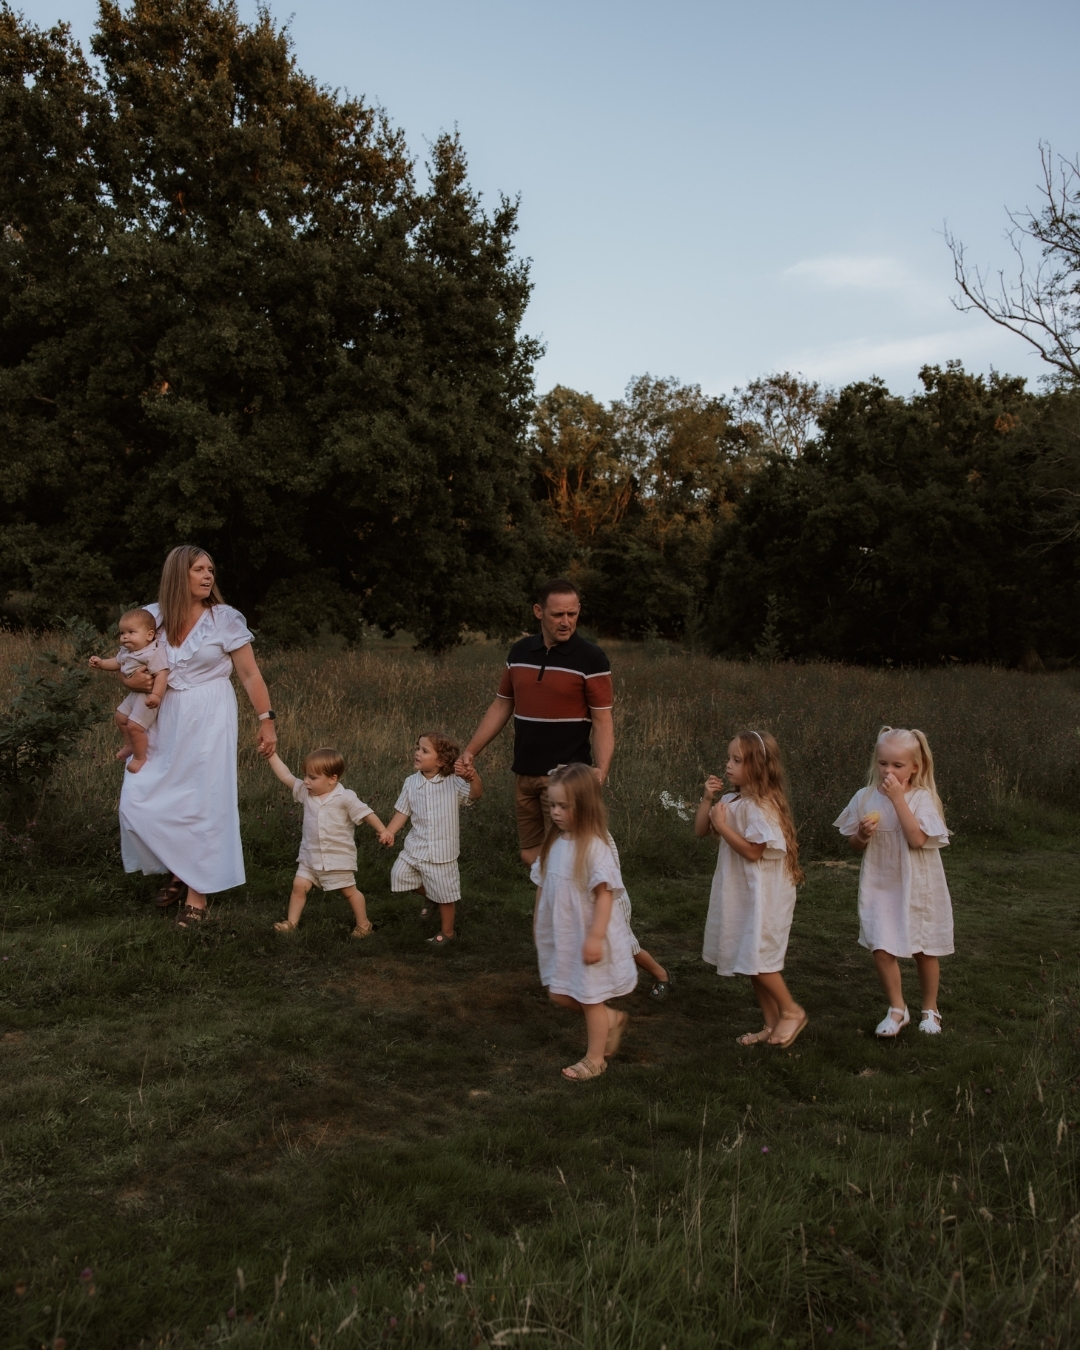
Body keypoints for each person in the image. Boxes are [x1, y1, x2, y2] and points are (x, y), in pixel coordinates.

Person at [117, 545, 277, 928]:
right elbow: (128, 664)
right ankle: (178, 866)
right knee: (139, 799)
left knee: (203, 802)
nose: (208, 576)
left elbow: (250, 675)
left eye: (211, 570)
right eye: (199, 570)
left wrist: (266, 720)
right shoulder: (151, 617)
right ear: (178, 575)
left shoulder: (224, 619)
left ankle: (197, 894)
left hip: (209, 715)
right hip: (163, 715)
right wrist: (130, 680)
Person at [457, 580, 613, 866]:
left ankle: (564, 910)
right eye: (557, 615)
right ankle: (550, 908)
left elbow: (603, 720)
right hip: (524, 772)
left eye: (572, 614)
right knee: (530, 855)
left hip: (566, 776)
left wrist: (600, 772)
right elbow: (502, 704)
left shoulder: (592, 658)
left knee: (563, 858)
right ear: (539, 611)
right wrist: (471, 751)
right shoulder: (519, 652)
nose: (566, 622)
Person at [835, 726, 953, 1037]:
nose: (888, 770)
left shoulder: (921, 798)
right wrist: (861, 835)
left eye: (897, 765)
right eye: (883, 763)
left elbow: (916, 839)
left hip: (917, 885)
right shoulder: (865, 797)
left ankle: (931, 1008)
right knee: (881, 944)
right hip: (881, 882)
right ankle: (898, 1008)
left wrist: (898, 799)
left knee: (924, 948)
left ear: (916, 766)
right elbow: (854, 845)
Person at [697, 730, 808, 1049]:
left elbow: (753, 851)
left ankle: (792, 1010)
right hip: (740, 893)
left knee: (760, 957)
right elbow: (700, 830)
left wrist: (723, 826)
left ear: (758, 766)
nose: (728, 765)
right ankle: (771, 1024)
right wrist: (707, 800)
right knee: (750, 960)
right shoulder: (732, 800)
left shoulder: (762, 806)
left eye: (737, 760)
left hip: (763, 897)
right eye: (728, 758)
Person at [531, 762, 637, 1082]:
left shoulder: (594, 847)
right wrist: (538, 922)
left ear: (585, 806)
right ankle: (612, 1018)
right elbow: (541, 884)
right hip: (564, 934)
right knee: (560, 993)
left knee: (590, 997)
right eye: (552, 805)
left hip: (589, 934)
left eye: (564, 806)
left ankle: (595, 1059)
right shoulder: (555, 843)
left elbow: (605, 896)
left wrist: (595, 937)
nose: (556, 813)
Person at [265, 746, 388, 938]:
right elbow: (286, 776)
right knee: (298, 886)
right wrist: (272, 755)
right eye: (305, 776)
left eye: (313, 778)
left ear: (332, 779)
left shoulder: (345, 797)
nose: (306, 781)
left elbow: (366, 813)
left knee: (349, 892)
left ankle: (364, 924)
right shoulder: (306, 793)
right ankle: (291, 923)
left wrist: (383, 831)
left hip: (338, 858)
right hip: (310, 856)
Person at [380, 733, 482, 946]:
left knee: (446, 894)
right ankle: (431, 897)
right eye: (418, 748)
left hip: (443, 850)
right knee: (399, 875)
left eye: (424, 750)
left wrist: (473, 778)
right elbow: (402, 812)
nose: (417, 753)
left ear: (441, 761)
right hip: (416, 846)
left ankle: (447, 933)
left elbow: (475, 795)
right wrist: (389, 832)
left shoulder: (453, 782)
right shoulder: (410, 783)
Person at [88, 608, 169, 772]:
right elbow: (117, 663)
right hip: (134, 694)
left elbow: (162, 674)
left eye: (131, 632)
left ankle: (140, 757)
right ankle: (129, 744)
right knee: (120, 717)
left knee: (134, 726)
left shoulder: (152, 652)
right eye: (122, 633)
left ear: (149, 635)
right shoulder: (127, 651)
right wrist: (102, 664)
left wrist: (156, 695)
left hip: (147, 697)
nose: (125, 637)